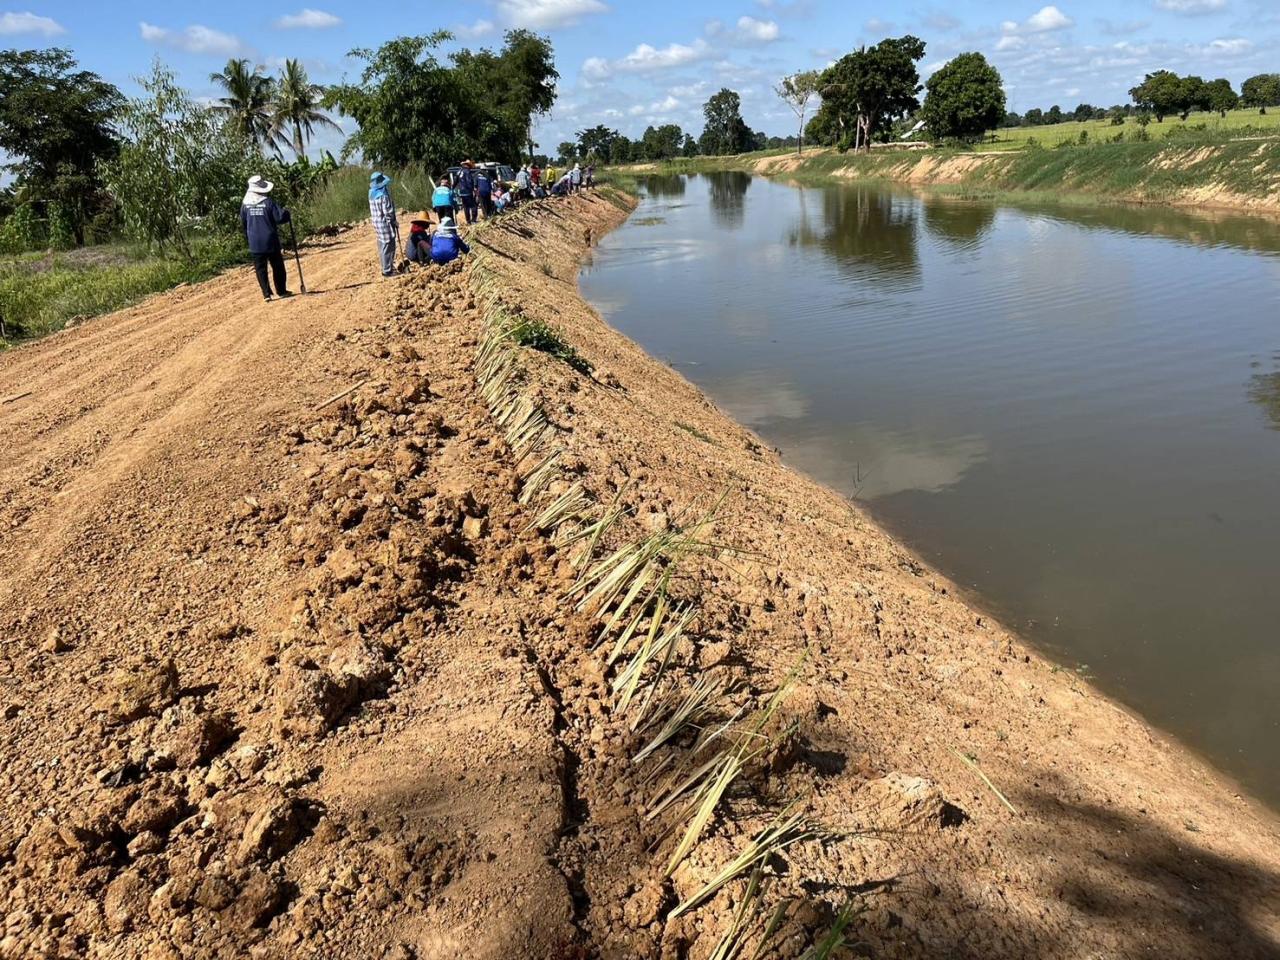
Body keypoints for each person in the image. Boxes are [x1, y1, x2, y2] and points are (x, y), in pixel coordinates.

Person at [240, 175, 293, 301]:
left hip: (254, 242)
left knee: (260, 269)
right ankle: (281, 291)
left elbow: (243, 222)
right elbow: (279, 218)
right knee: (277, 266)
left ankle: (266, 294)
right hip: (270, 240)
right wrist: (287, 214)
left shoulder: (245, 205)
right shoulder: (268, 202)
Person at [368, 171, 398, 278]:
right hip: (384, 223)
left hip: (376, 223)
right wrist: (394, 222)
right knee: (389, 245)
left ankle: (385, 266)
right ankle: (387, 270)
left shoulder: (371, 193)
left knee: (381, 245)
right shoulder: (383, 196)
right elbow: (387, 212)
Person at [456, 160, 478, 225]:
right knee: (473, 205)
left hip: (462, 192)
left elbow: (455, 181)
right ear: (467, 165)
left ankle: (468, 221)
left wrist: (453, 188)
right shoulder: (467, 171)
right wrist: (472, 190)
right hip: (468, 191)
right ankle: (473, 220)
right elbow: (469, 182)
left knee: (466, 207)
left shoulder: (459, 172)